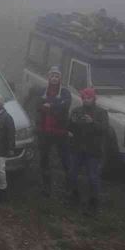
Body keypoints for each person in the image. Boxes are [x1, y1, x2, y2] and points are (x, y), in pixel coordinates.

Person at [29, 66, 72, 197]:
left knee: (65, 159)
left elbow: (64, 107)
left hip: (60, 131)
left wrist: (50, 106)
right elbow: (37, 106)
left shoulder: (65, 92)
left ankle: (70, 186)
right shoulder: (43, 91)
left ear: (60, 78)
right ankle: (46, 187)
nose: (54, 78)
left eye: (57, 76)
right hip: (44, 131)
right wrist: (53, 106)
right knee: (44, 159)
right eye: (52, 76)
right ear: (48, 77)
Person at [67, 88, 108, 216]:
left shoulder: (101, 113)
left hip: (93, 150)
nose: (86, 100)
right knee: (72, 174)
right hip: (77, 148)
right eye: (84, 98)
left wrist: (92, 122)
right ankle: (74, 197)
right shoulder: (76, 111)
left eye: (88, 98)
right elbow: (69, 129)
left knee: (93, 177)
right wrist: (72, 122)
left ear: (94, 98)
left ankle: (94, 202)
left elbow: (104, 130)